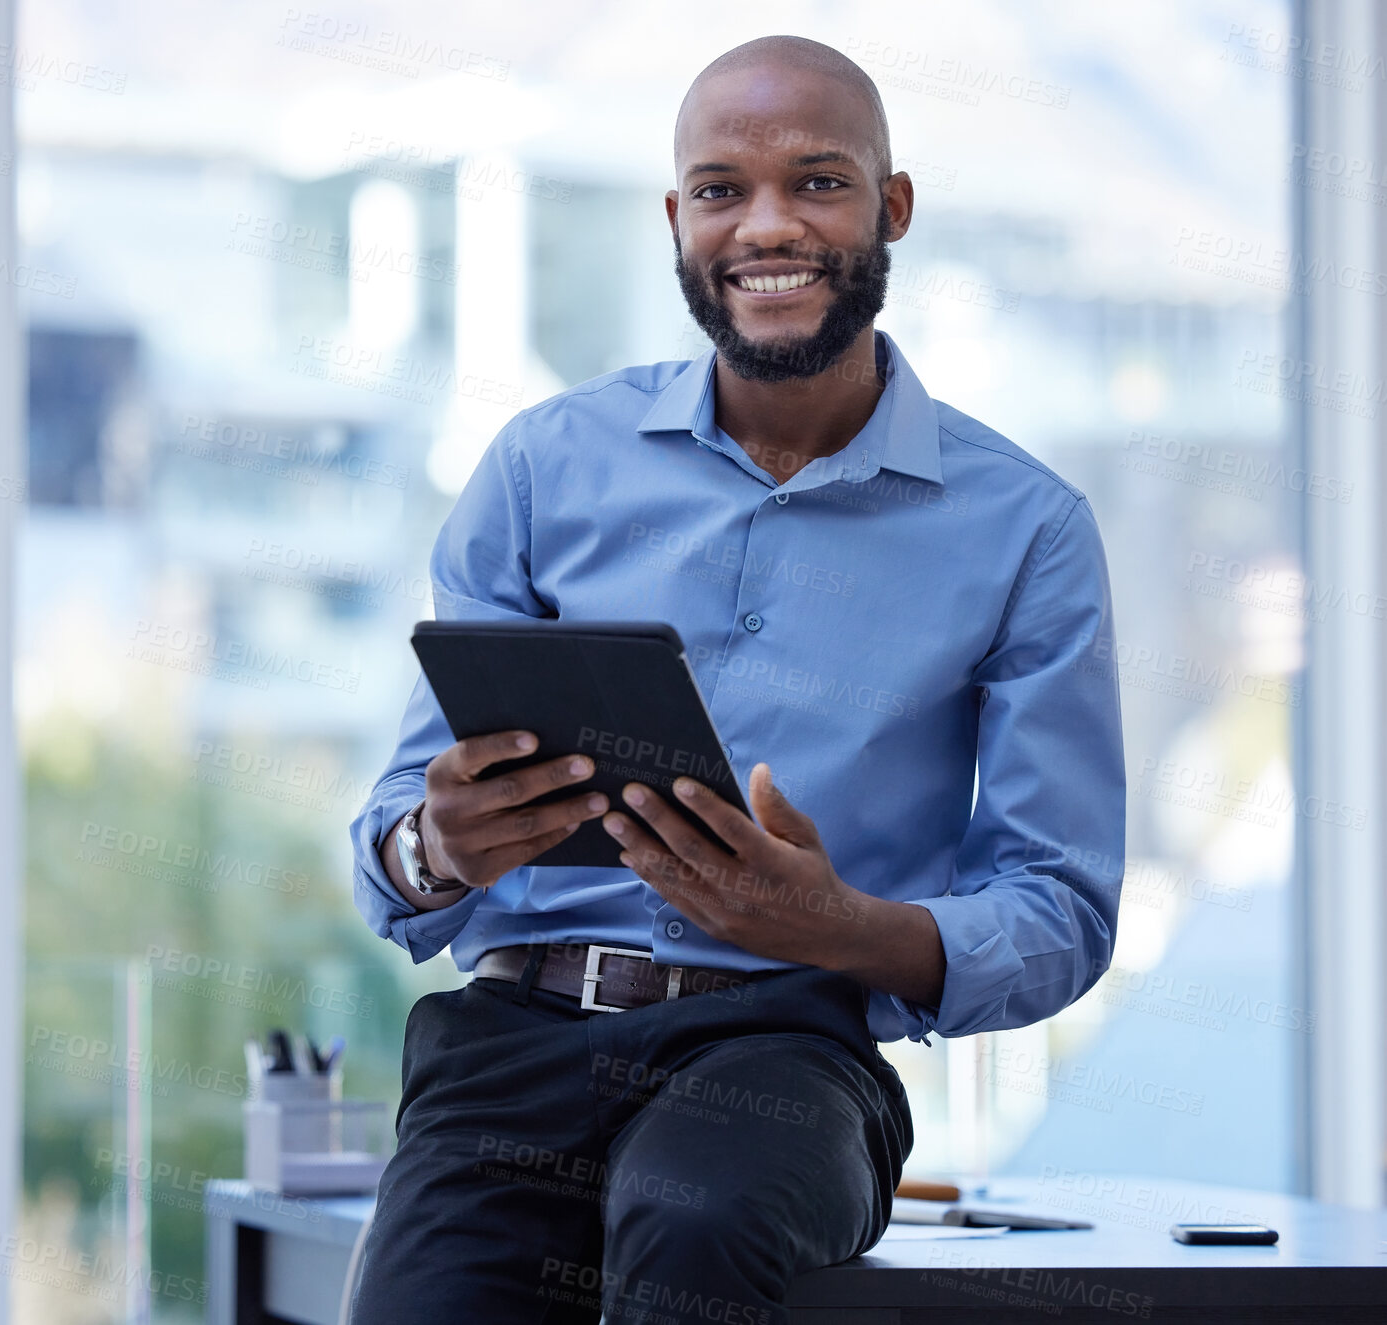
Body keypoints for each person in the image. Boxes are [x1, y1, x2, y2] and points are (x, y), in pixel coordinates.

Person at [347, 33, 1125, 1325]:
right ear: (675, 220)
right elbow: (392, 850)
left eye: (816, 181)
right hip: (515, 1041)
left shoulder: (1025, 527)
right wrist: (441, 844)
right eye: (720, 189)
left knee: (694, 1229)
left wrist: (841, 927)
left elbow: (1060, 905)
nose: (765, 224)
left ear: (892, 206)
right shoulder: (544, 464)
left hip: (783, 1050)